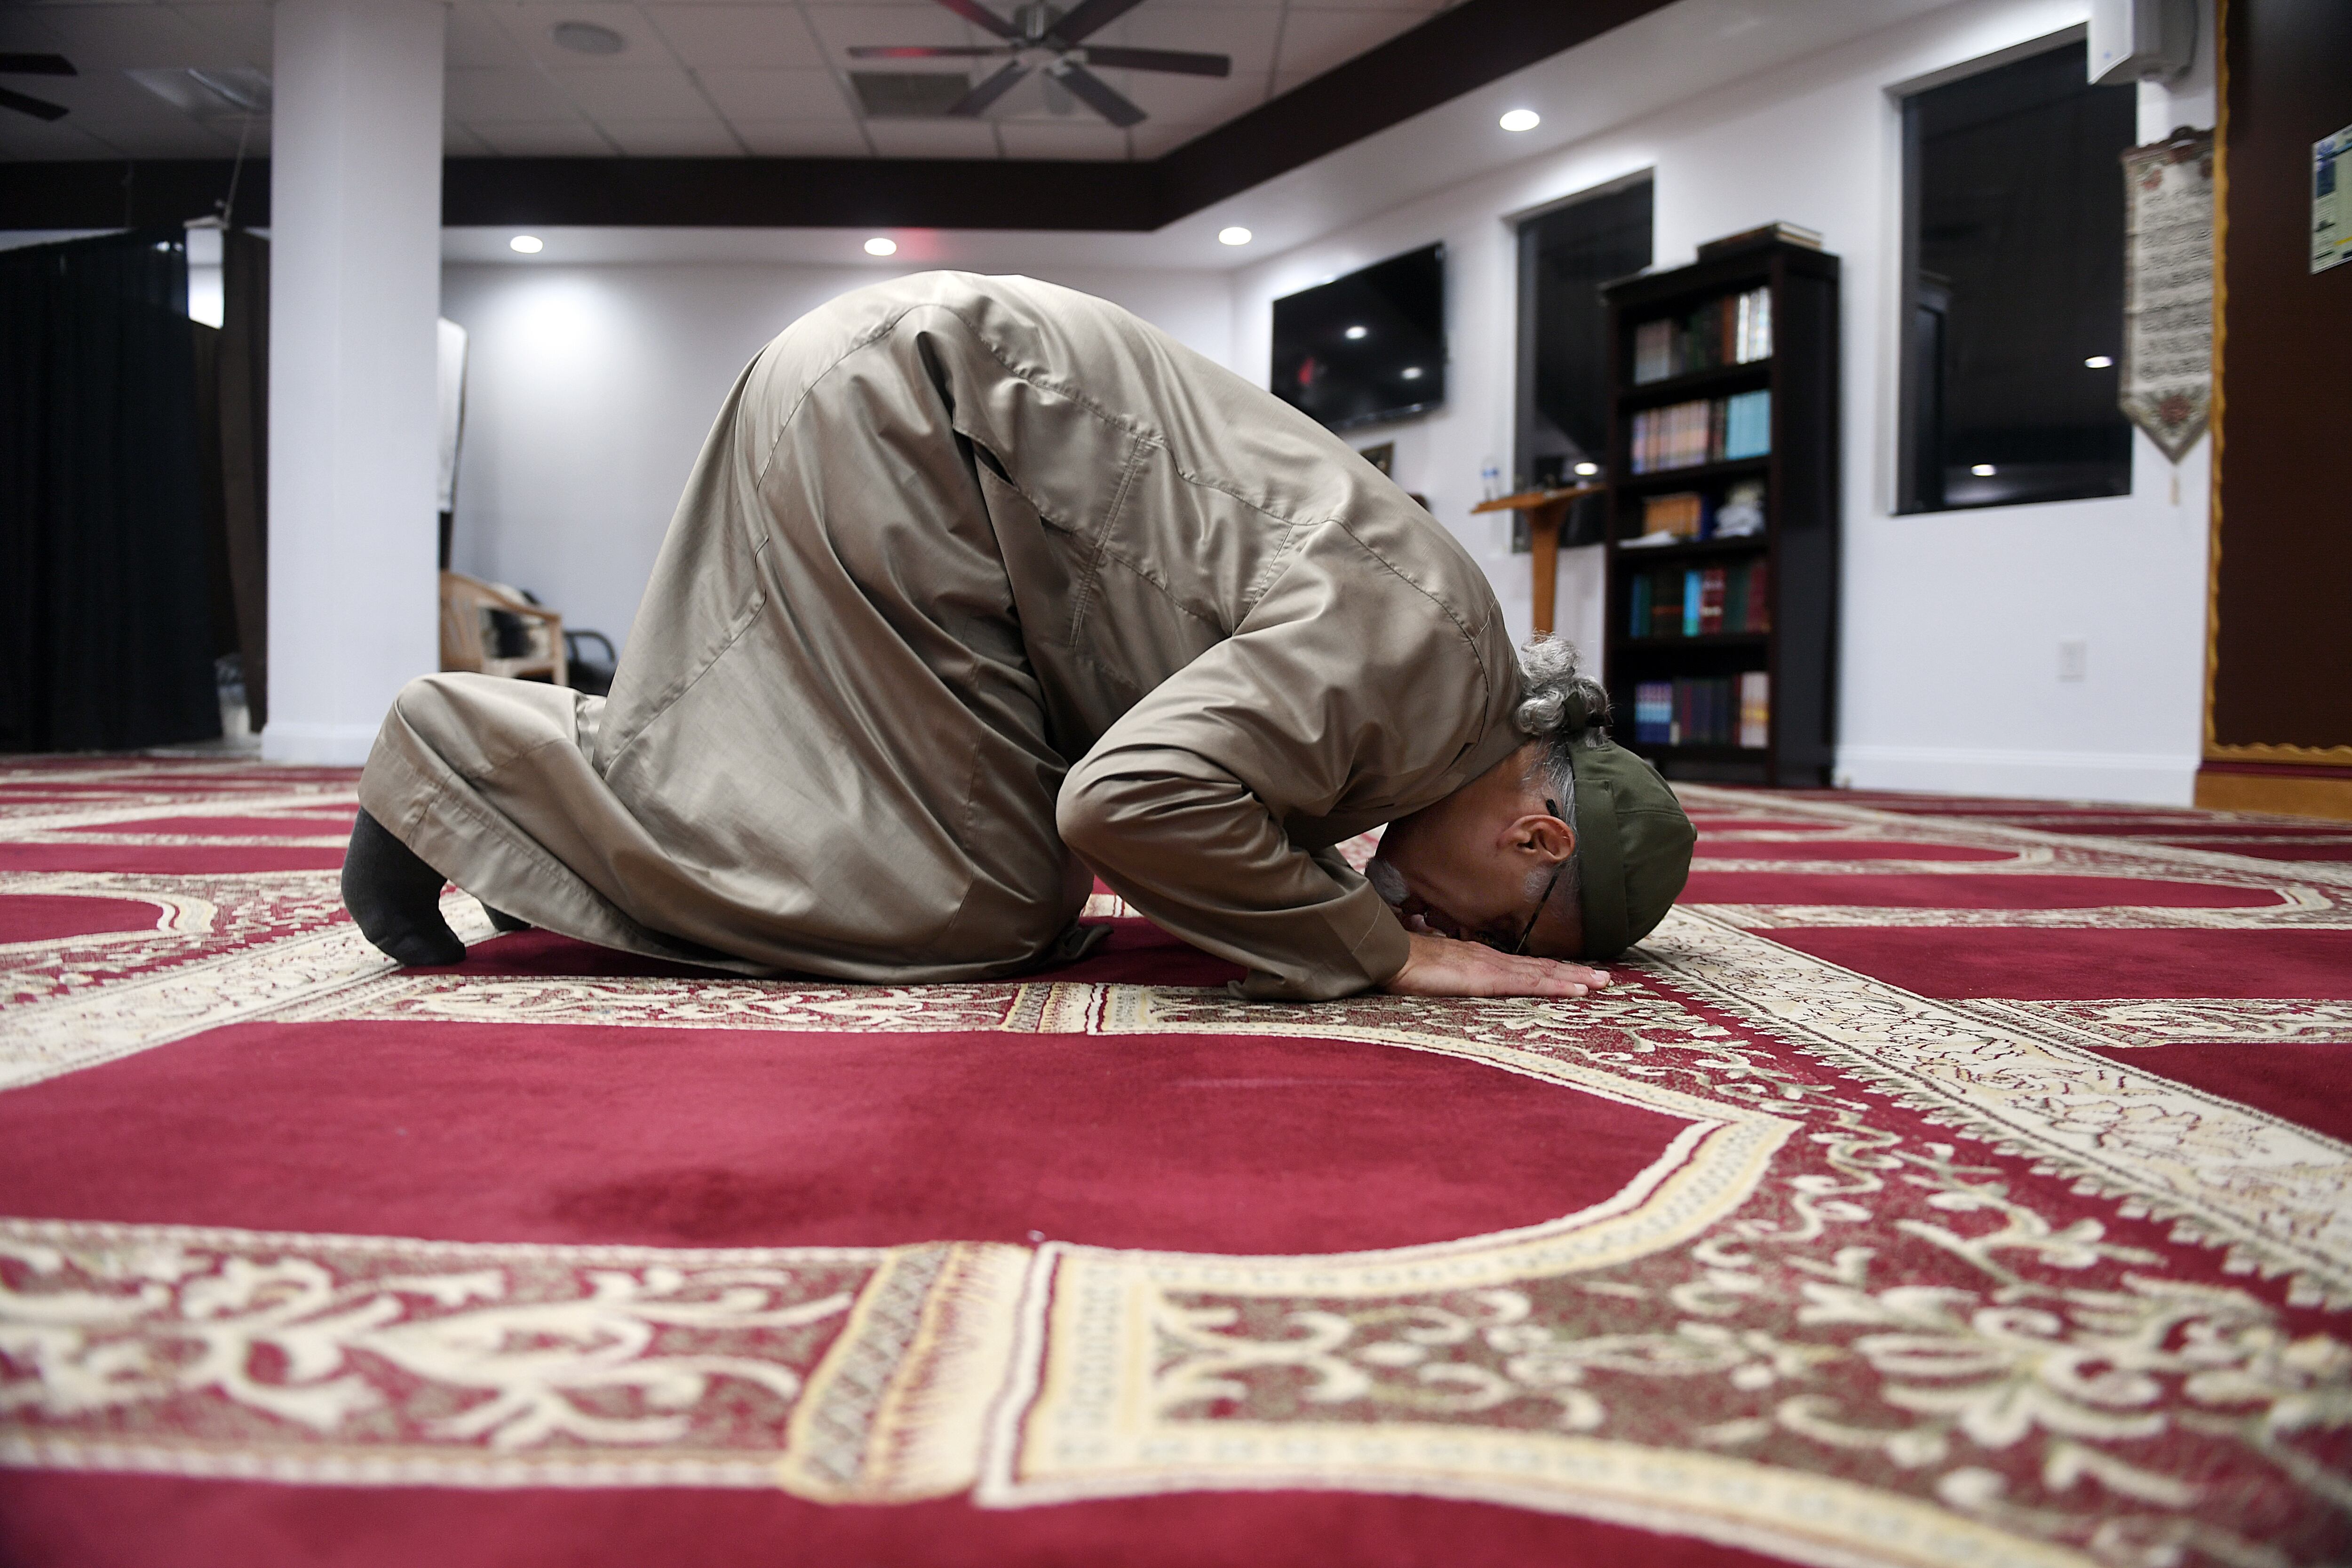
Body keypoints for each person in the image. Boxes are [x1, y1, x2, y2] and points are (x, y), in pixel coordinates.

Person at [343, 272, 1693, 1001]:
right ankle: (465, 756)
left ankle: (531, 821)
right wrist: (1384, 952)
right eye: (1510, 934)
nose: (1469, 937)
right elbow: (1129, 800)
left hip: (918, 405)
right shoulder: (1425, 672)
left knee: (851, 799)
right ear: (1537, 839)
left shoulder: (1444, 686)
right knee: (969, 905)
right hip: (919, 420)